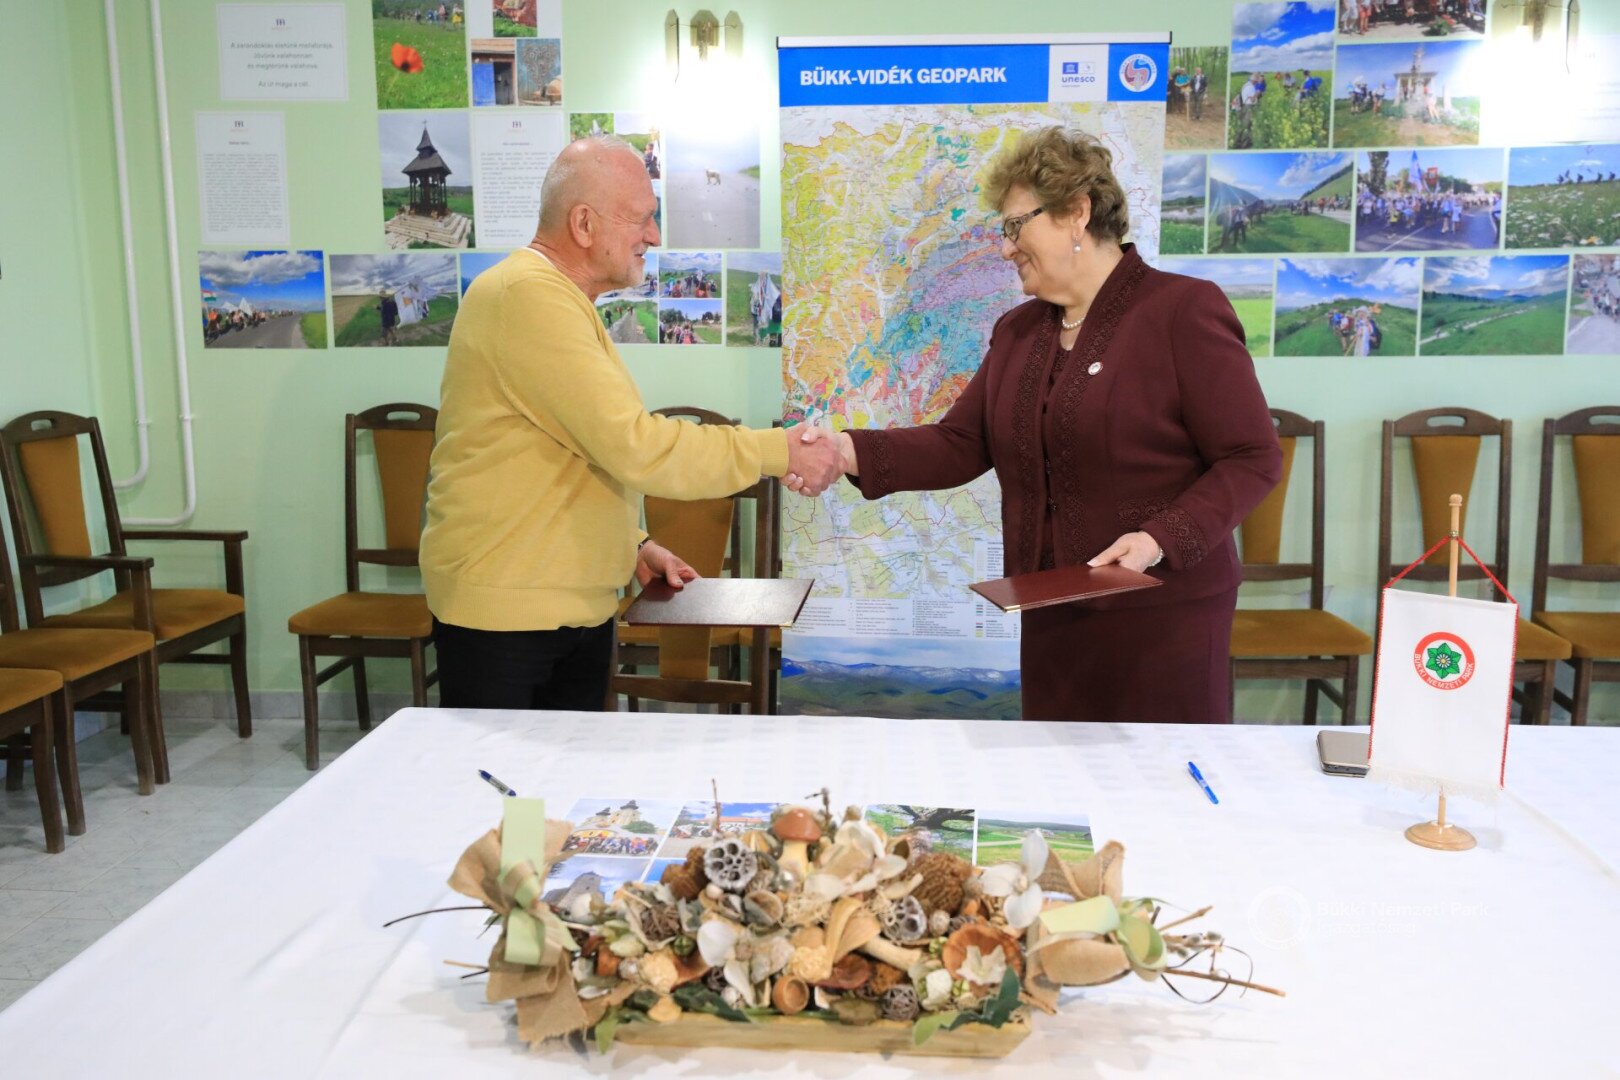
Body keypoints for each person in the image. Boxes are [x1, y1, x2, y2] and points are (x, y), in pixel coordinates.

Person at [790, 127, 1282, 723]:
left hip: (1163, 615)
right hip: (1052, 613)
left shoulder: (1182, 310)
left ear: (1076, 212)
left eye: (1015, 226)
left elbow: (1252, 456)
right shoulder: (1018, 332)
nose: (1006, 249)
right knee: (1055, 776)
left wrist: (1157, 540)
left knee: (1156, 780)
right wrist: (845, 450)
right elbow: (961, 443)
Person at [420, 134, 842, 710]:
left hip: (559, 609)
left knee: (567, 771)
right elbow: (637, 447)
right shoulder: (526, 296)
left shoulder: (557, 300)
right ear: (584, 224)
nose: (655, 235)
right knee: (513, 774)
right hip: (510, 621)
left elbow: (575, 451)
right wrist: (780, 450)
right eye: (642, 217)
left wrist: (633, 543)